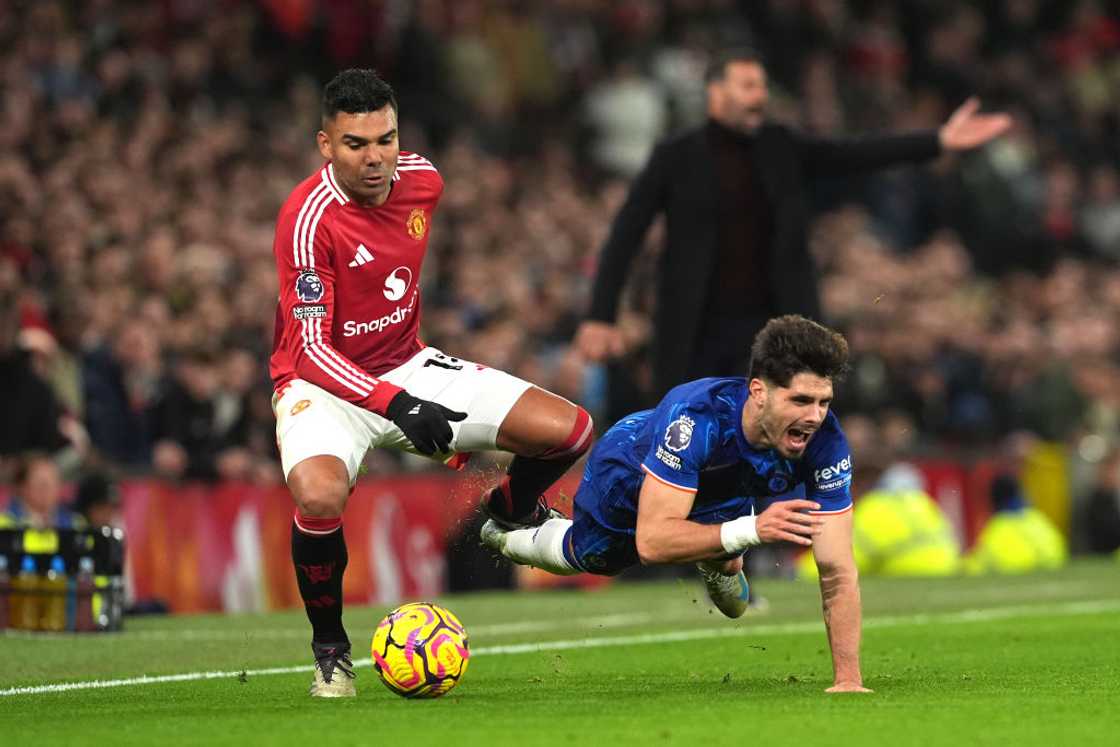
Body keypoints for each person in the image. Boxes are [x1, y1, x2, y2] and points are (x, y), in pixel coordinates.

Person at [269, 69, 593, 698]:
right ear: (325, 146)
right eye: (356, 144)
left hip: (411, 365)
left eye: (385, 140)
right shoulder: (307, 221)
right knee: (317, 496)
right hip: (327, 385)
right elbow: (310, 349)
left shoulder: (424, 181)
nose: (375, 157)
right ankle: (330, 652)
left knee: (570, 431)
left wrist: (408, 387)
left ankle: (506, 516)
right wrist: (396, 403)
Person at [574, 47, 1012, 412]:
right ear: (715, 93)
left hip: (773, 325)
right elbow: (625, 234)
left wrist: (936, 141)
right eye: (747, 86)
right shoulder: (676, 157)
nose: (759, 97)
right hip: (694, 325)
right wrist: (600, 314)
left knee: (782, 434)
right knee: (685, 430)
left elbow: (855, 153)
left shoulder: (781, 146)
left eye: (762, 87)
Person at [484, 315, 871, 693]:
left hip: (723, 488)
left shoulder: (826, 441)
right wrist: (751, 529)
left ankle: (718, 557)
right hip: (629, 476)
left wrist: (848, 681)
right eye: (801, 400)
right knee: (590, 558)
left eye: (823, 402)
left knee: (734, 596)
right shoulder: (696, 418)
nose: (815, 416)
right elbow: (651, 545)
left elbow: (837, 570)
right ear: (758, 392)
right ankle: (502, 537)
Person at [964, 474, 1066, 575]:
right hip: (1055, 564)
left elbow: (979, 564)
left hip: (1019, 569)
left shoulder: (1000, 525)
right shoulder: (1037, 518)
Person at [0, 453, 83, 530]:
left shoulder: (74, 523)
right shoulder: (5, 524)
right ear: (22, 487)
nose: (47, 488)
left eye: (53, 481)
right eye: (40, 483)